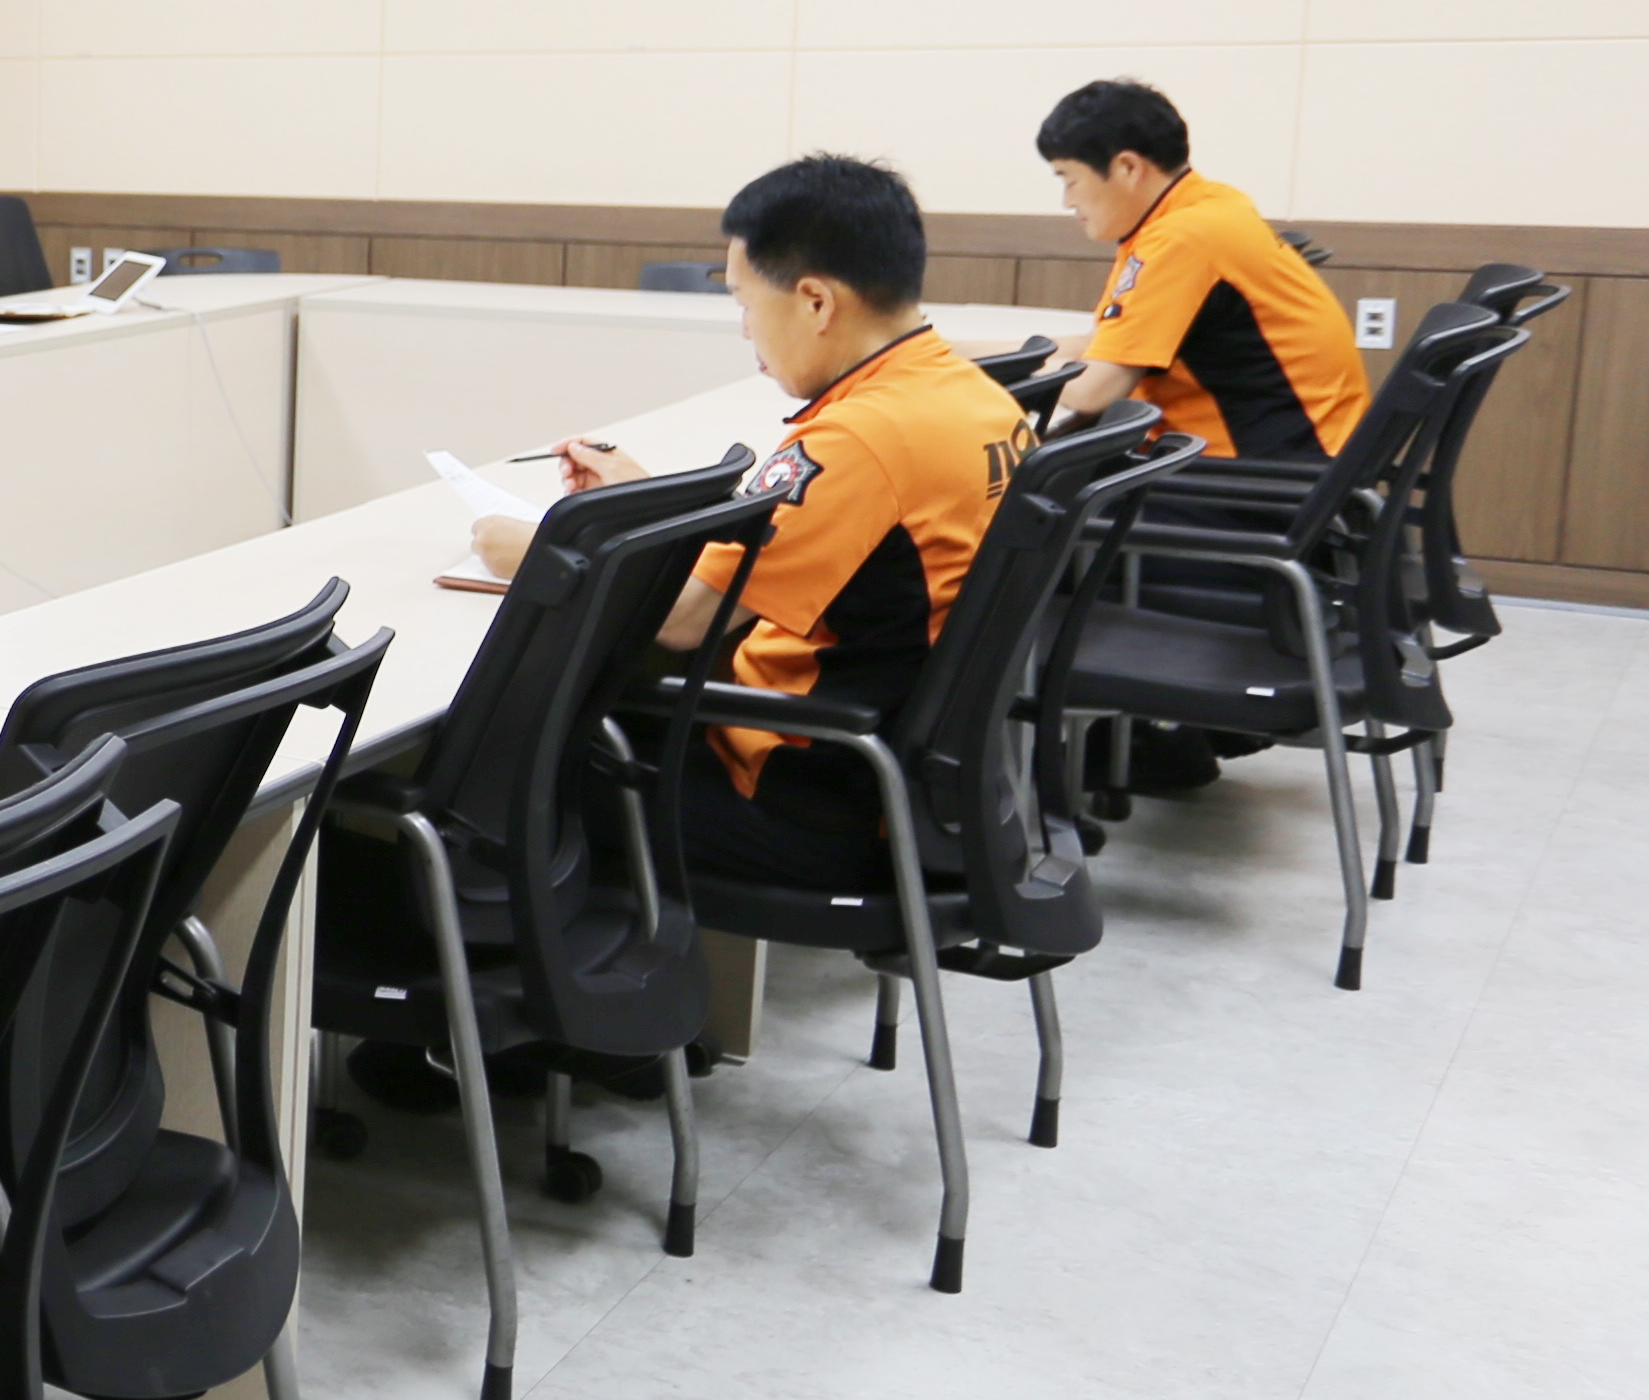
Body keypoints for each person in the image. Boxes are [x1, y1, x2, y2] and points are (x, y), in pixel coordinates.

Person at [470, 153, 1032, 893]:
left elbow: (684, 621)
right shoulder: (975, 398)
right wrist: (651, 500)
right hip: (921, 789)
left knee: (490, 776)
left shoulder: (858, 438)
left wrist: (541, 549)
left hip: (805, 794)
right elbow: (815, 535)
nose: (744, 331)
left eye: (744, 302)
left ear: (815, 302)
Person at [1031, 77, 1362, 462]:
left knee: (1032, 483)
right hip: (1307, 458)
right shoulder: (1205, 208)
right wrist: (976, 356)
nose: (1067, 201)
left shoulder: (1182, 239)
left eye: (1069, 180)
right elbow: (1102, 345)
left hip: (1266, 474)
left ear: (1127, 167)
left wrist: (1021, 371)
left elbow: (1093, 390)